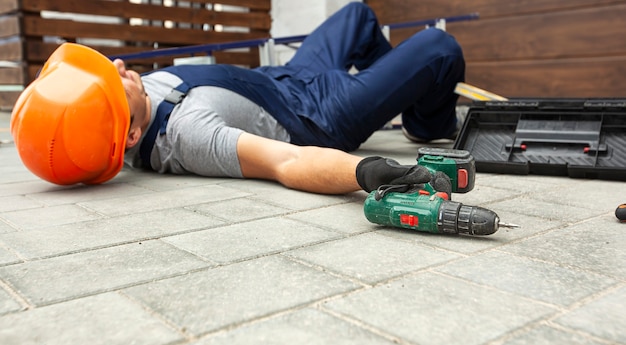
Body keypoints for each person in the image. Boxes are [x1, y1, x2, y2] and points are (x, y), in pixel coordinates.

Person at [11, 2, 464, 195]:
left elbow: (67, 121)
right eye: (112, 84)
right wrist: (367, 171)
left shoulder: (122, 109)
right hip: (320, 113)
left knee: (357, 16)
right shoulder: (187, 136)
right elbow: (285, 164)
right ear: (130, 137)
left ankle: (395, 90)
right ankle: (427, 123)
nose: (117, 68)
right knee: (440, 50)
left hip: (289, 77)